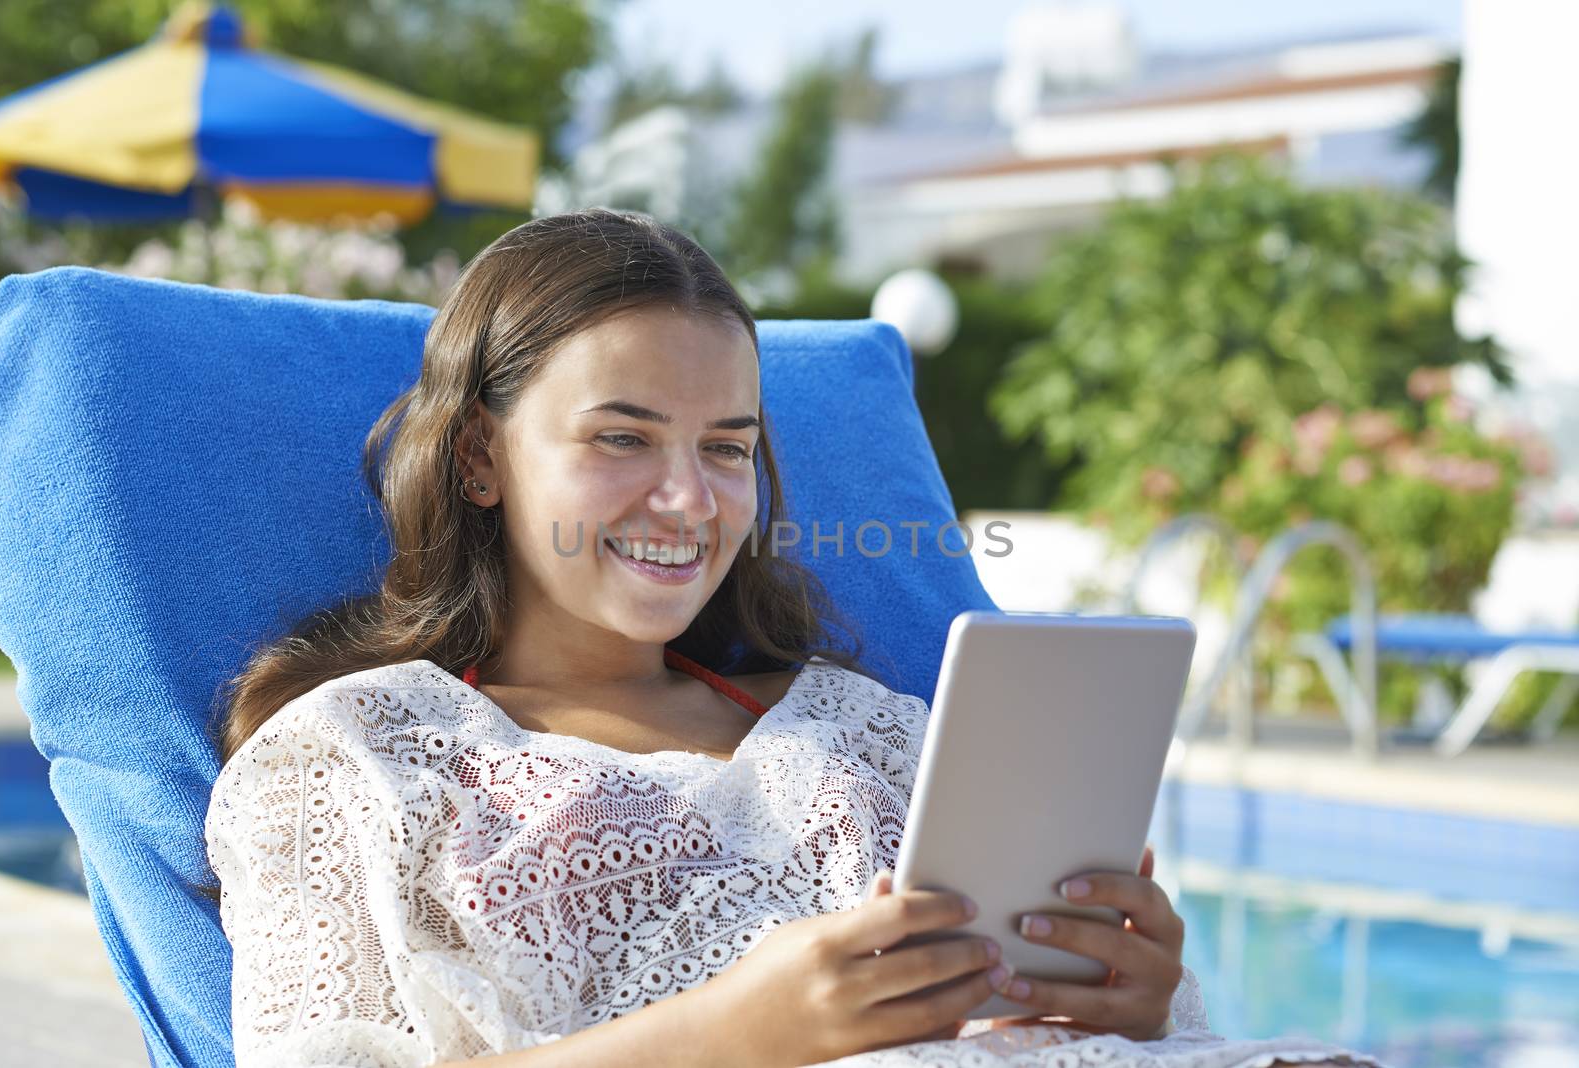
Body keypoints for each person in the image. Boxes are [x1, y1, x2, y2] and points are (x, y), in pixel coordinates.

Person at [203, 208, 1378, 1068]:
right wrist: (731, 1035)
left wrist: (1134, 999)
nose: (687, 499)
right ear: (477, 458)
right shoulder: (352, 759)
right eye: (621, 439)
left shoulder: (880, 730)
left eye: (725, 448)